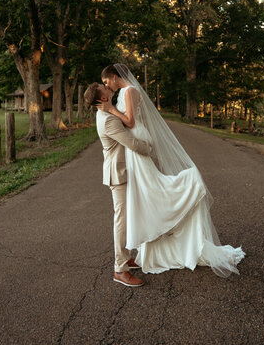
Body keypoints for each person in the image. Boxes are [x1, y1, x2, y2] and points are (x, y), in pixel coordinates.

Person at [97, 63, 245, 277]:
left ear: (113, 76)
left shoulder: (128, 90)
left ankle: (187, 187)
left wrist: (111, 110)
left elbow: (129, 122)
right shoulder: (126, 91)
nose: (106, 86)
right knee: (145, 193)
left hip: (135, 140)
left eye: (106, 82)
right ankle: (151, 245)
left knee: (150, 190)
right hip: (132, 146)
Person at [84, 81, 152, 288]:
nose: (106, 85)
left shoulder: (108, 112)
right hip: (118, 173)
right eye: (102, 87)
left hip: (124, 171)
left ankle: (126, 258)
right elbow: (131, 143)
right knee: (121, 220)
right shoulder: (107, 120)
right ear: (103, 98)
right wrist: (149, 147)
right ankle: (120, 269)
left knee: (128, 215)